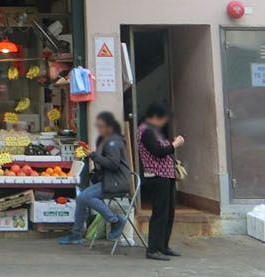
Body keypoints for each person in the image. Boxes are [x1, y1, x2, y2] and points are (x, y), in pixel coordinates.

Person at [60, 112, 132, 246]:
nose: (99, 129)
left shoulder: (113, 142)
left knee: (84, 197)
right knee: (82, 198)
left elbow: (113, 164)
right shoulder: (109, 140)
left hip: (115, 183)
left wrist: (93, 155)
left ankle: (115, 220)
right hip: (110, 181)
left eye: (101, 126)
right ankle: (76, 234)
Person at [137, 101, 183, 262]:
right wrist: (175, 145)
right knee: (160, 213)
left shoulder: (154, 131)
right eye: (164, 118)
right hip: (157, 176)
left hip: (166, 176)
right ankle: (154, 249)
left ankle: (164, 246)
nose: (165, 122)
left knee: (168, 213)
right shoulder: (146, 131)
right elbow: (158, 152)